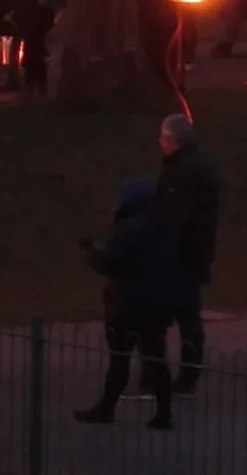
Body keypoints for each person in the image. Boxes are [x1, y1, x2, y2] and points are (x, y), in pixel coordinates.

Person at [73, 174, 181, 430]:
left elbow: (112, 262)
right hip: (157, 302)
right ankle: (164, 413)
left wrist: (92, 254)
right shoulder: (165, 227)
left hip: (127, 304)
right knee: (156, 358)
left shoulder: (127, 228)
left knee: (120, 359)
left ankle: (106, 408)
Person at [155, 113, 219, 397]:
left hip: (179, 257)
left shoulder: (180, 172)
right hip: (194, 253)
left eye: (163, 137)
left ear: (173, 140)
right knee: (188, 319)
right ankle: (186, 374)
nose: (160, 142)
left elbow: (175, 216)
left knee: (168, 318)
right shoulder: (198, 167)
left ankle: (170, 376)